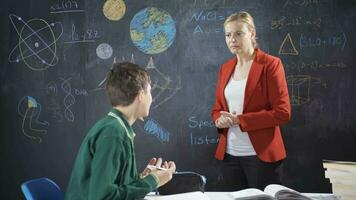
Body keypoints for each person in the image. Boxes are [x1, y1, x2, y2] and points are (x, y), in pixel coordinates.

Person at [65, 62, 176, 200]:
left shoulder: (117, 127)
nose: (151, 99)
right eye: (150, 91)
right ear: (141, 95)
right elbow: (104, 197)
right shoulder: (113, 134)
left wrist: (142, 178)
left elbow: (115, 187)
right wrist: (153, 180)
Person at [211, 11, 291, 191]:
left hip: (261, 157)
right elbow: (217, 109)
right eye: (228, 35)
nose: (232, 39)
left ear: (252, 33)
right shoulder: (225, 68)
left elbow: (283, 113)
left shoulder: (270, 64)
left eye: (239, 33)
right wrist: (219, 119)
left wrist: (241, 120)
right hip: (229, 156)